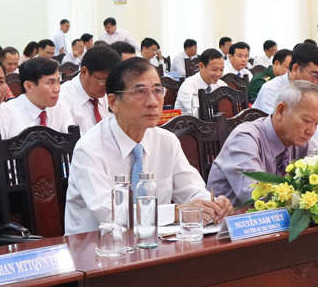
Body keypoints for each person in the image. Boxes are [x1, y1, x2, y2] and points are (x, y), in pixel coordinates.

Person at [65, 57, 233, 235]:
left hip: (157, 244)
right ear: (113, 102)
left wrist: (211, 205)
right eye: (140, 92)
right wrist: (175, 212)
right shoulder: (90, 148)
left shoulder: (167, 141)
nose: (153, 101)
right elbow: (109, 214)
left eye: (158, 90)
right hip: (96, 249)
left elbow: (192, 191)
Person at [208, 81, 318, 204]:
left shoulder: (300, 141)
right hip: (227, 220)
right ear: (280, 111)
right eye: (306, 120)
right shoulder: (245, 138)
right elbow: (257, 196)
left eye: (316, 124)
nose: (311, 131)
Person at [57, 45, 121, 134]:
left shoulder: (107, 94)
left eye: (111, 81)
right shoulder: (63, 99)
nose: (107, 86)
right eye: (102, 81)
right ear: (84, 72)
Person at [254, 43, 318, 114]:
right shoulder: (271, 89)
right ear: (295, 69)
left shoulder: (312, 89)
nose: (316, 82)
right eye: (314, 74)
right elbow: (277, 126)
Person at [8, 57, 75, 133]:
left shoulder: (60, 107)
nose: (57, 89)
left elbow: (73, 139)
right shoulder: (9, 112)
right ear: (29, 86)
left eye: (58, 81)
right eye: (50, 83)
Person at [175, 48, 227, 117]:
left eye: (221, 70)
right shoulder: (188, 86)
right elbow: (198, 114)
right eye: (214, 69)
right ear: (201, 66)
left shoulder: (221, 85)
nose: (218, 74)